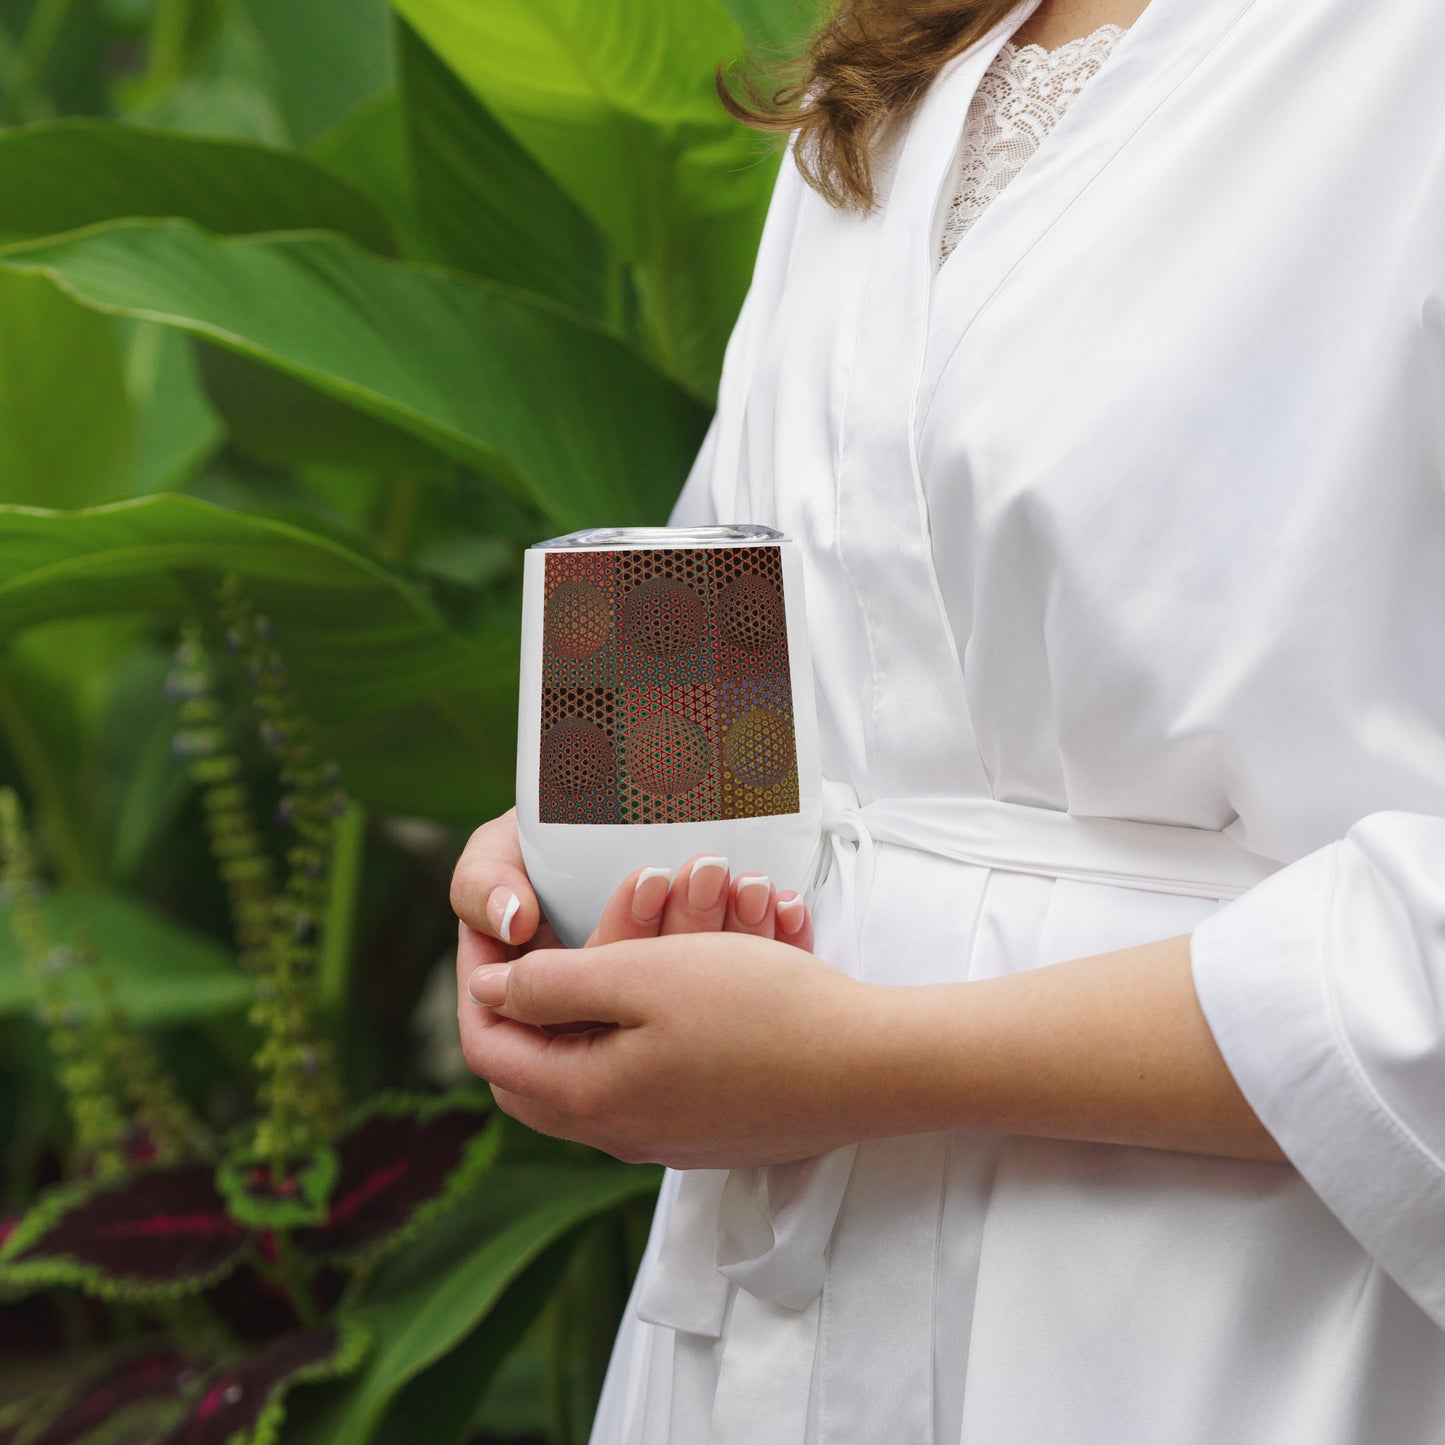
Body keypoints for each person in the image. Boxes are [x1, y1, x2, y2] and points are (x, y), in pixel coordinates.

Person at [451, 0, 1445, 1438]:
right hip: (777, 1313)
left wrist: (863, 1059)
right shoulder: (901, 57)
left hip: (1231, 1316)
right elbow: (766, 615)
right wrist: (572, 858)